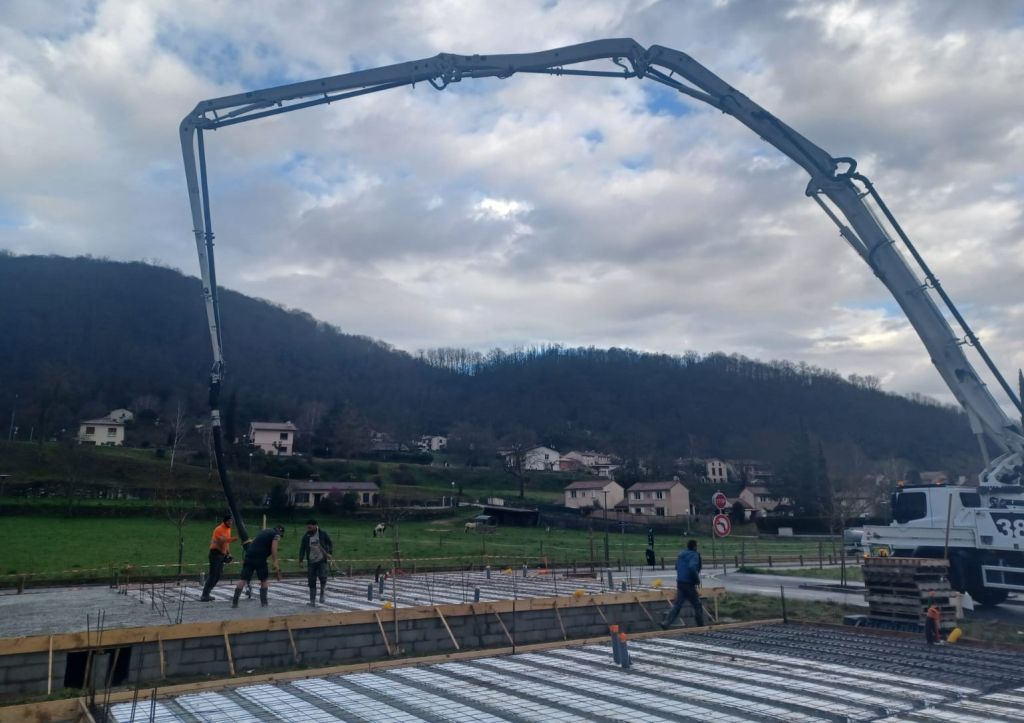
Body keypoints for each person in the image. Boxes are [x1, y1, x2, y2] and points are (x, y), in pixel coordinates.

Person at [232, 525, 284, 608]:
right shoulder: (276, 534)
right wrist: (275, 562)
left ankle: (234, 603)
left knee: (243, 579)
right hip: (260, 558)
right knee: (264, 580)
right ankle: (264, 603)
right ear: (280, 532)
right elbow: (274, 549)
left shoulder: (264, 531)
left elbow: (254, 542)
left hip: (249, 556)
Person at [660, 539, 705, 628]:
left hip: (680, 582)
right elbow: (692, 567)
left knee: (677, 605)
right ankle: (701, 626)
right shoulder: (694, 555)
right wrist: (696, 580)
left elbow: (676, 567)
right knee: (697, 604)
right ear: (695, 546)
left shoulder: (681, 554)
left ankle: (666, 623)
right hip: (689, 584)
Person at [200, 515, 237, 601]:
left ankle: (207, 593)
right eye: (229, 521)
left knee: (218, 575)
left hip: (221, 554)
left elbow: (226, 543)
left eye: (231, 521)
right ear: (225, 521)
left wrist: (228, 553)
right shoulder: (219, 529)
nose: (231, 523)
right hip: (215, 553)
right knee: (213, 575)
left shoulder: (228, 529)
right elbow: (222, 540)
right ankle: (204, 595)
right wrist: (233, 539)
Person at [299, 519, 334, 606]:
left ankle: (322, 592)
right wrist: (301, 560)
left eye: (310, 527)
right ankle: (312, 601)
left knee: (323, 577)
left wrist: (329, 552)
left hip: (322, 560)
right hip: (311, 561)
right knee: (311, 580)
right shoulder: (306, 536)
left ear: (315, 526)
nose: (309, 529)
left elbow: (330, 543)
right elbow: (302, 548)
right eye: (307, 528)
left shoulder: (322, 534)